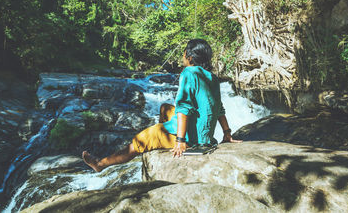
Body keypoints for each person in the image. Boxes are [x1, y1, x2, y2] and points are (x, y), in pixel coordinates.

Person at [82, 39, 241, 172]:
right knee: (165, 107)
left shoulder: (188, 72)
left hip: (190, 138)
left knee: (137, 142)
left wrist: (180, 140)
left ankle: (101, 164)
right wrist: (227, 133)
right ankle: (162, 133)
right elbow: (218, 108)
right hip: (203, 134)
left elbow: (184, 108)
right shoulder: (212, 77)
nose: (183, 54)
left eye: (185, 51)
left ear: (190, 57)